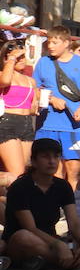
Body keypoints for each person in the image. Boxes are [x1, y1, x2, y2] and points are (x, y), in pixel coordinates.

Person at [3, 137, 80, 270]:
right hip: (23, 241)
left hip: (51, 240)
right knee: (23, 237)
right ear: (34, 161)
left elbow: (74, 222)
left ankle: (49, 260)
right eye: (45, 157)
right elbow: (30, 227)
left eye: (56, 157)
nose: (52, 161)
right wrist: (59, 245)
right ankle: (74, 260)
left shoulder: (62, 186)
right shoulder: (20, 187)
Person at [33, 26, 80, 183]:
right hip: (47, 124)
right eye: (49, 42)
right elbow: (34, 89)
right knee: (50, 170)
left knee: (73, 171)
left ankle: (71, 206)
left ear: (67, 42)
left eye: (55, 42)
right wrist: (51, 99)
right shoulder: (43, 62)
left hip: (73, 124)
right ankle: (50, 206)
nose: (50, 46)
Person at [0, 40, 38, 175]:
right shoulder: (2, 75)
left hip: (26, 124)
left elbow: (33, 108)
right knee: (17, 171)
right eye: (18, 57)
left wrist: (38, 105)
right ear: (6, 58)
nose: (22, 60)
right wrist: (11, 59)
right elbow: (5, 81)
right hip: (7, 123)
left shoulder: (30, 80)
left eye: (23, 56)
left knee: (23, 171)